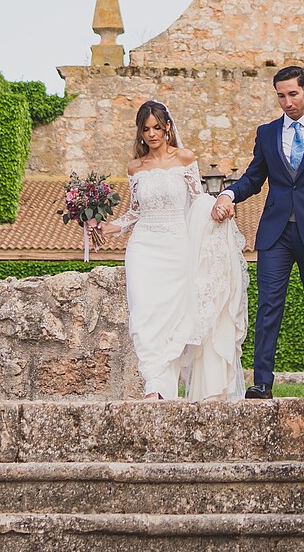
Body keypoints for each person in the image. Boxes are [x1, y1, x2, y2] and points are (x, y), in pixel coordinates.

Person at [212, 65, 304, 398]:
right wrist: (228, 194)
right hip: (274, 233)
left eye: (293, 94)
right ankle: (262, 383)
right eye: (281, 96)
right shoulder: (267, 133)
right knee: (268, 307)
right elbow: (253, 178)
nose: (288, 102)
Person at [97, 99, 247, 399]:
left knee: (173, 319)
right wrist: (110, 226)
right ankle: (153, 385)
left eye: (156, 127)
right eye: (146, 129)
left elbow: (198, 199)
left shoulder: (185, 159)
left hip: (177, 246)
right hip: (143, 246)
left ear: (167, 127)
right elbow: (135, 211)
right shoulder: (135, 167)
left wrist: (217, 209)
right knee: (142, 316)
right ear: (140, 132)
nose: (152, 134)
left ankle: (162, 389)